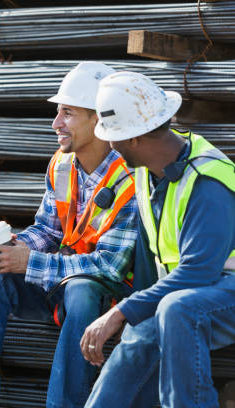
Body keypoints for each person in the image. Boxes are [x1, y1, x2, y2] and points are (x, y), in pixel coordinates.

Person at [0, 62, 139, 408]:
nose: (55, 124)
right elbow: (48, 230)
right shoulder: (63, 165)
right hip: (62, 278)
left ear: (98, 119)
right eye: (57, 112)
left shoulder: (130, 181)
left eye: (67, 113)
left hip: (112, 297)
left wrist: (30, 262)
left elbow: (109, 268)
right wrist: (14, 249)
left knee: (81, 289)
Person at [82, 71, 235, 408]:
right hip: (187, 294)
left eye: (113, 136)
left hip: (216, 290)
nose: (110, 144)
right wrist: (131, 312)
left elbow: (198, 273)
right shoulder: (146, 171)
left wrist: (120, 312)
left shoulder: (207, 180)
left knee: (175, 308)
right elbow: (156, 263)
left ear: (134, 138)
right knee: (141, 334)